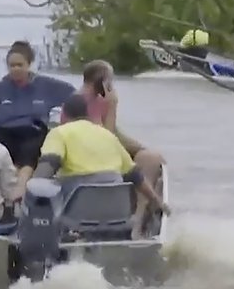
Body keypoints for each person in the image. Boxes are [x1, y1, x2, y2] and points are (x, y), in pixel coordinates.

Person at [36, 94, 169, 234]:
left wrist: (30, 191)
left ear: (63, 115)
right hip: (117, 213)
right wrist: (156, 200)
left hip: (78, 212)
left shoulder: (59, 133)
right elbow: (136, 176)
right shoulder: (108, 135)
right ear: (87, 114)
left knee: (47, 191)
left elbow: (48, 165)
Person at [0, 41, 75, 201]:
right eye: (12, 65)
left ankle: (20, 188)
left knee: (32, 147)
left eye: (20, 65)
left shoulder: (47, 86)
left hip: (33, 133)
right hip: (5, 134)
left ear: (29, 64)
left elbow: (76, 97)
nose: (16, 69)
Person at [77, 60, 165, 190]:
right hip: (93, 160)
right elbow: (105, 141)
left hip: (104, 157)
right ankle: (141, 207)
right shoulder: (82, 103)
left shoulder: (98, 100)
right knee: (148, 161)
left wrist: (140, 148)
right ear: (103, 82)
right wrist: (112, 105)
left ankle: (142, 207)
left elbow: (117, 135)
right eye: (110, 81)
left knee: (150, 157)